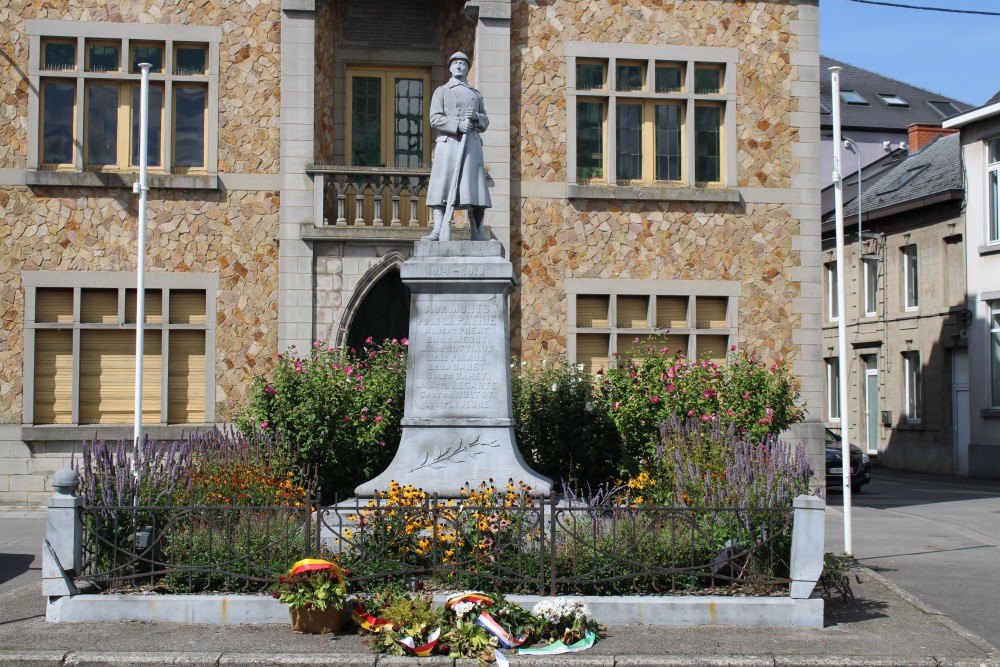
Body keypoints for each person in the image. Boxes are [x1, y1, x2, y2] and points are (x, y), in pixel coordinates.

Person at [423, 52, 491, 242]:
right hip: (449, 146)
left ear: (468, 68)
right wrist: (458, 124)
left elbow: (486, 121)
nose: (459, 66)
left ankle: (477, 232)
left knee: (475, 190)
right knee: (442, 188)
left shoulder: (476, 94)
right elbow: (435, 118)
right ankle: (438, 229)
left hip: (471, 147)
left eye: (463, 63)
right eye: (456, 63)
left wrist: (477, 117)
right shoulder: (442, 91)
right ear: (450, 67)